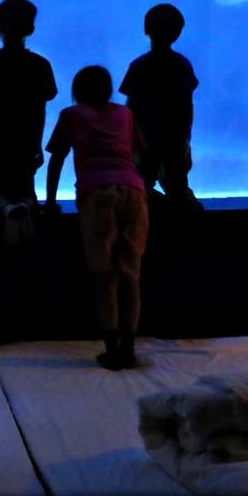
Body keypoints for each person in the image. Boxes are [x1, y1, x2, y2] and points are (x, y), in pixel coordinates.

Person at [45, 65, 149, 370]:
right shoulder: (125, 114)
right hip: (133, 190)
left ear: (78, 90)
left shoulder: (72, 114)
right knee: (130, 272)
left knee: (104, 273)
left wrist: (50, 200)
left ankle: (111, 348)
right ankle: (129, 348)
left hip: (97, 193)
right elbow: (138, 154)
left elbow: (57, 158)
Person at [0, 0, 58, 245]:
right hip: (25, 142)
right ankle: (25, 209)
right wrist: (38, 145)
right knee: (25, 188)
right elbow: (41, 110)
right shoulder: (40, 65)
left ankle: (6, 209)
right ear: (31, 29)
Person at [119, 3, 203, 211]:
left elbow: (130, 108)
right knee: (178, 187)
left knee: (140, 186)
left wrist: (129, 139)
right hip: (174, 138)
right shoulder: (182, 65)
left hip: (145, 138)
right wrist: (185, 138)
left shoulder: (138, 66)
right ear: (177, 34)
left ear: (146, 29)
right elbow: (187, 105)